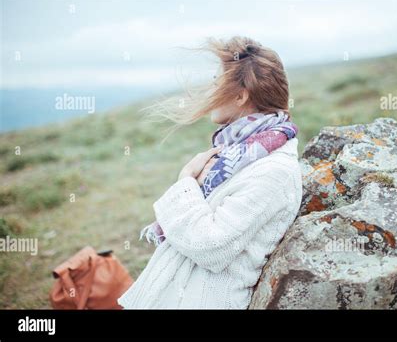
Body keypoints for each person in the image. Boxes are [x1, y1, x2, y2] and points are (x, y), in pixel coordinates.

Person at [118, 36, 302, 309]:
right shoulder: (237, 154)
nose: (210, 88)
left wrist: (186, 182)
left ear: (241, 95)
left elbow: (212, 246)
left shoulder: (274, 170)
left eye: (218, 81)